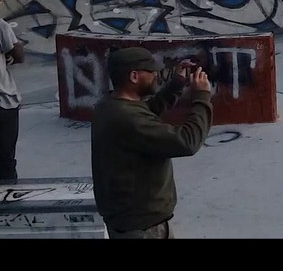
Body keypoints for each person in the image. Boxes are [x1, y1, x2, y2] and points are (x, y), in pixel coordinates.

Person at [91, 47, 213, 239]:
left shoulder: (109, 106)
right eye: (151, 72)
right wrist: (202, 96)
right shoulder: (127, 118)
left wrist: (177, 84)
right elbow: (187, 141)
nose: (156, 75)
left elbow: (147, 111)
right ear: (134, 76)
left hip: (136, 221)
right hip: (143, 228)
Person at [0, 0, 25, 181]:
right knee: (5, 164)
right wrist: (16, 47)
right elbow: (19, 55)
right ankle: (6, 211)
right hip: (1, 104)